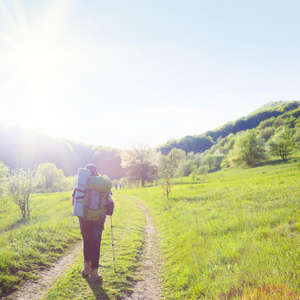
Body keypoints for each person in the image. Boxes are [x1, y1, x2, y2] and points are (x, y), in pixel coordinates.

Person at [72, 164, 110, 282]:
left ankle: (86, 269)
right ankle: (94, 274)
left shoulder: (81, 184)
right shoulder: (103, 185)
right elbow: (109, 202)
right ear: (96, 172)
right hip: (98, 219)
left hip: (84, 220)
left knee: (86, 242)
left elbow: (74, 203)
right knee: (96, 245)